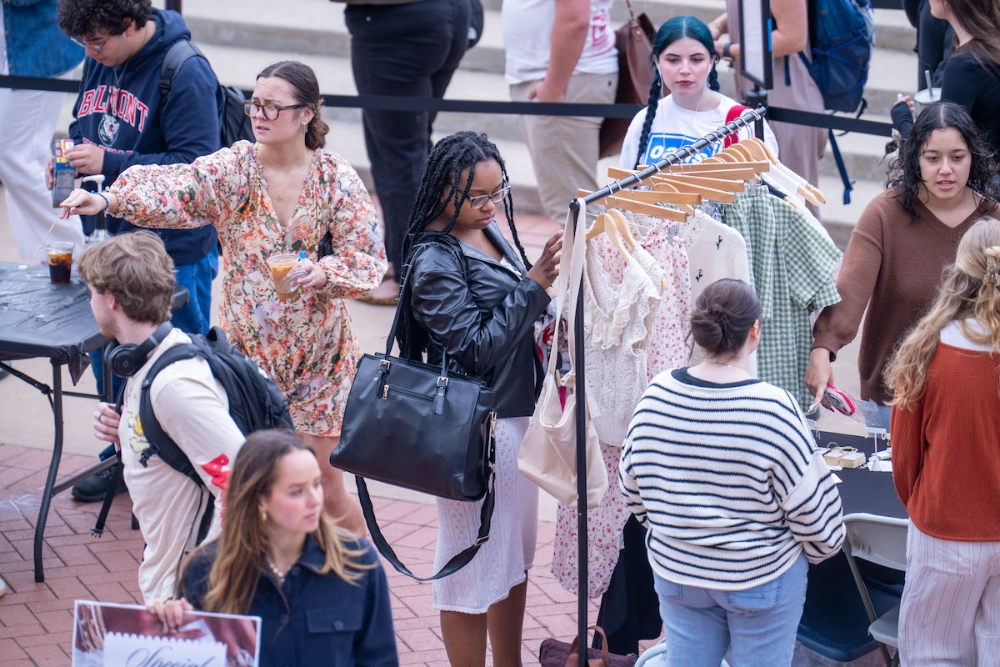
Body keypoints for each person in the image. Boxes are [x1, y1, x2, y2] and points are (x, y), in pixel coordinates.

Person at [60, 60, 387, 536]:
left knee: (325, 483)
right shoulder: (236, 167)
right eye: (255, 103)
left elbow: (367, 259)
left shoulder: (335, 177)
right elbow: (178, 188)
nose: (260, 114)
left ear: (306, 114)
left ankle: (361, 582)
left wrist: (323, 272)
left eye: (274, 106)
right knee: (260, 483)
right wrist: (109, 199)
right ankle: (280, 579)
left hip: (321, 356)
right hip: (248, 358)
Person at [396, 131, 561, 667]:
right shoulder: (433, 262)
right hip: (475, 434)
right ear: (442, 194)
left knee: (512, 561)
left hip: (515, 419)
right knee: (468, 568)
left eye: (499, 192)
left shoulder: (488, 233)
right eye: (477, 197)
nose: (492, 206)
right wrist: (533, 286)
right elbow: (475, 347)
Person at [619, 278, 845, 667]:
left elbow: (633, 490)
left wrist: (680, 530)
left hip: (679, 571)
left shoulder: (655, 395)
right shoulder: (774, 409)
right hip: (760, 577)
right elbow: (821, 525)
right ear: (754, 330)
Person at [56, 0, 223, 502]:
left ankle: (187, 465)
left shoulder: (186, 70)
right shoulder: (101, 55)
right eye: (83, 44)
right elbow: (86, 125)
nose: (90, 52)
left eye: (98, 42)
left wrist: (110, 160)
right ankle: (126, 457)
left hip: (175, 250)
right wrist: (72, 163)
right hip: (114, 237)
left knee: (178, 363)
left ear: (131, 24)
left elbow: (195, 169)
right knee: (118, 353)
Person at [78, 231, 245, 604]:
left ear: (112, 300)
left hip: (188, 592)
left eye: (90, 293)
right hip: (171, 580)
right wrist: (128, 432)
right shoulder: (153, 361)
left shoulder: (174, 387)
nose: (89, 304)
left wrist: (201, 585)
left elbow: (241, 484)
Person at [807, 101, 1000, 409]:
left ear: (972, 158)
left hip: (974, 398)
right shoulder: (885, 213)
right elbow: (850, 289)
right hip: (895, 398)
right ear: (916, 160)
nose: (945, 169)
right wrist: (823, 348)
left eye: (957, 157)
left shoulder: (993, 219)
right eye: (933, 158)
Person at [153, 429, 397, 667]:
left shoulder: (356, 562)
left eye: (317, 484)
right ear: (260, 499)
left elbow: (379, 659)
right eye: (297, 491)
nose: (315, 499)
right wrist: (167, 627)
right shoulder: (207, 568)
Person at [885, 217, 1000, 665]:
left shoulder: (926, 349)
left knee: (933, 654)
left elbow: (905, 459)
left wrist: (922, 507)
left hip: (945, 527)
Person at [339, 0, 470, 305]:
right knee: (412, 149)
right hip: (445, 16)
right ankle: (414, 261)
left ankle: (409, 276)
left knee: (399, 157)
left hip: (399, 23)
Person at [502, 0, 618, 222]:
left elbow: (575, 20)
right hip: (564, 77)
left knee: (575, 212)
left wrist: (553, 87)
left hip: (564, 80)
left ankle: (596, 258)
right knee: (573, 208)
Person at [709, 0, 825, 215]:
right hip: (755, 89)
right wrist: (717, 26)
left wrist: (726, 49)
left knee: (795, 204)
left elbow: (793, 38)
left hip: (786, 97)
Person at [619, 16, 778, 171]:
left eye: (696, 60)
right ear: (657, 62)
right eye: (673, 60)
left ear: (711, 61)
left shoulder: (745, 123)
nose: (685, 70)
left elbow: (771, 191)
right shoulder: (645, 119)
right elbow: (625, 190)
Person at [0, 0, 87, 262]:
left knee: (15, 157)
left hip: (39, 46)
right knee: (21, 159)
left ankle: (75, 259)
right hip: (19, 44)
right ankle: (45, 263)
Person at [893, 0, 1000, 156]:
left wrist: (902, 118)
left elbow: (936, 153)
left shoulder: (964, 65)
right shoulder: (989, 48)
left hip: (984, 176)